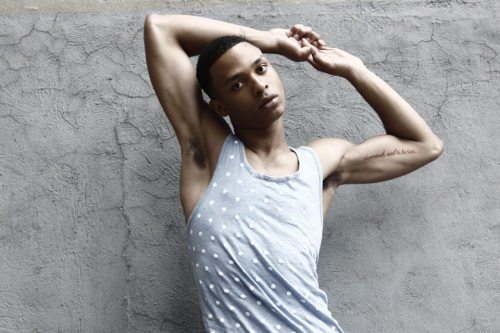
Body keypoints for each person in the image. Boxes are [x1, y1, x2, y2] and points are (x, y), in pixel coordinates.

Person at [144, 14, 443, 333]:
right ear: (220, 107)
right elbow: (161, 29)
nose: (259, 86)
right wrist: (271, 41)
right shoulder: (210, 156)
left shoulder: (322, 164)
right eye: (238, 84)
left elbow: (425, 145)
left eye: (261, 68)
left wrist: (355, 70)